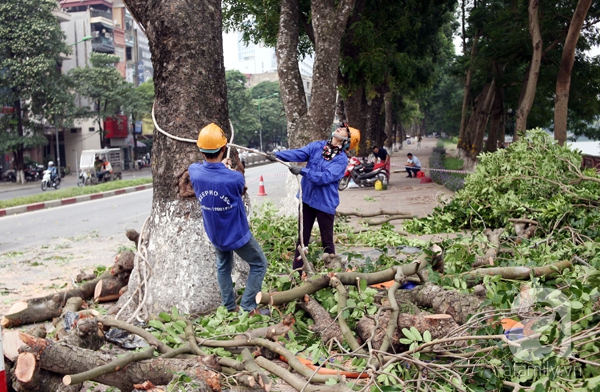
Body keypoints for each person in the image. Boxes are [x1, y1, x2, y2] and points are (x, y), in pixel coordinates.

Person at [188, 123, 267, 315]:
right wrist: (225, 169)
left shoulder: (194, 171)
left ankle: (230, 306)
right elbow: (236, 188)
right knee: (259, 264)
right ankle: (248, 307)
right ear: (224, 149)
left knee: (223, 266)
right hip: (236, 233)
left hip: (215, 233)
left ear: (201, 150)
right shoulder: (235, 178)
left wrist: (219, 167)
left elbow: (205, 170)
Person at [267, 123, 360, 273]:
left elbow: (325, 177)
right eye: (341, 127)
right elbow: (299, 153)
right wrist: (278, 155)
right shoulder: (318, 146)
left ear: (347, 140)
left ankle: (332, 273)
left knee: (327, 242)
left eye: (345, 130)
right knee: (302, 239)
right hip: (307, 200)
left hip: (325, 203)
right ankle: (297, 273)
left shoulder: (341, 160)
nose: (340, 128)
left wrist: (303, 171)